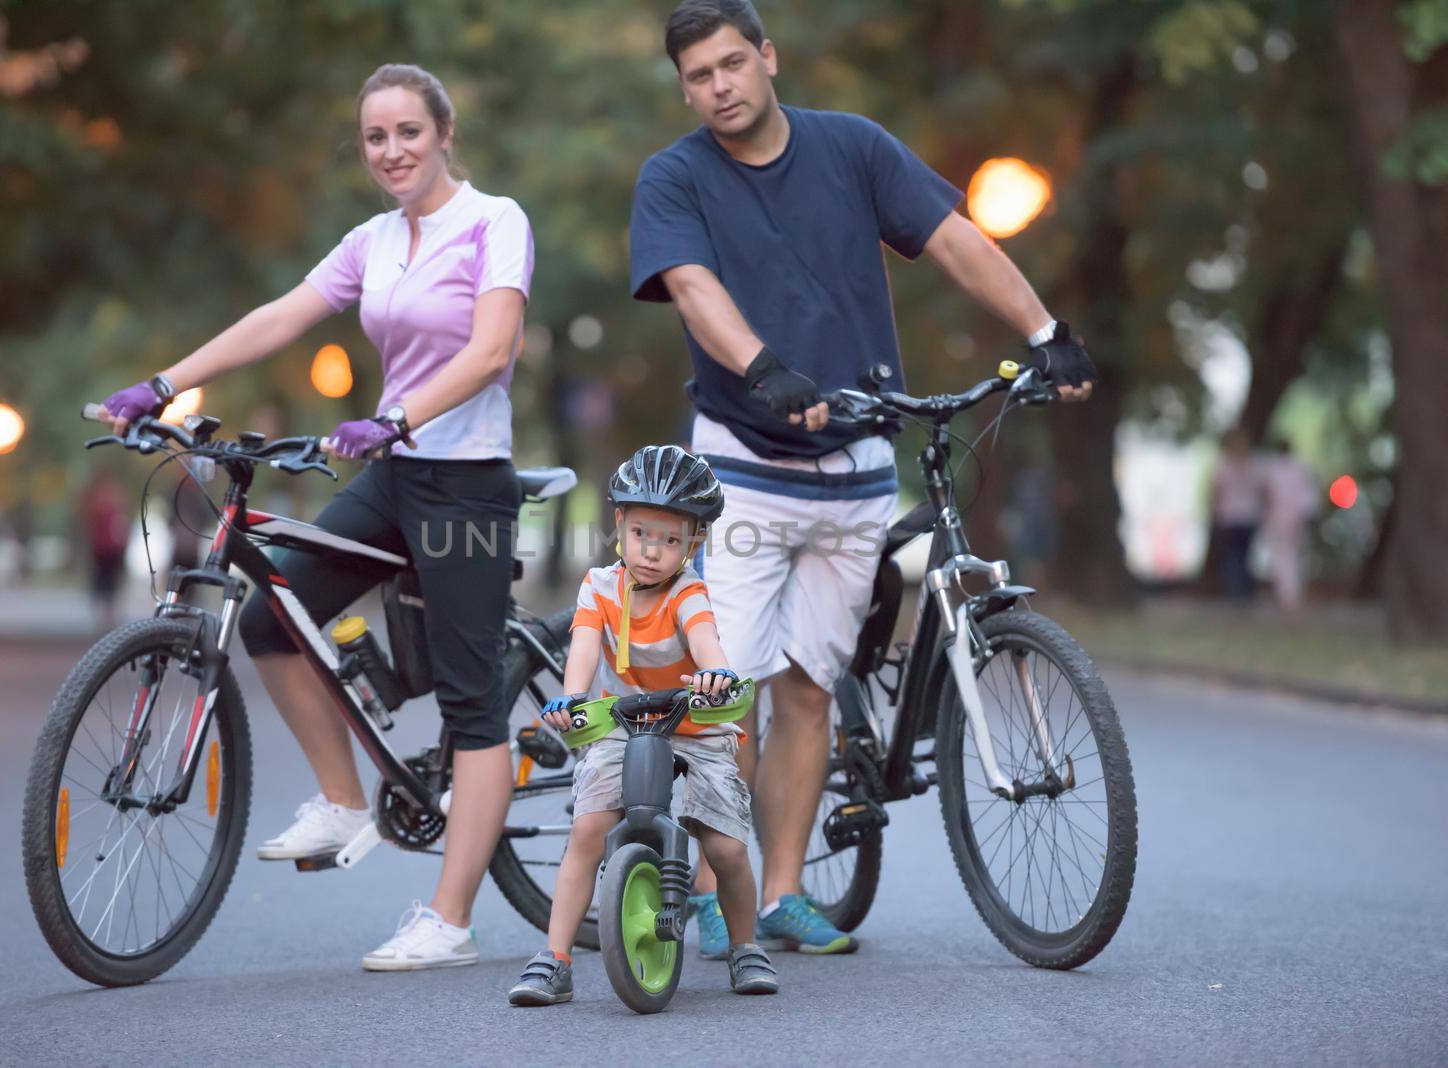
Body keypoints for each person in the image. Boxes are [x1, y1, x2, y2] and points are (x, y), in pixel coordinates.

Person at [628, 0, 1098, 958]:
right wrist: (764, 369)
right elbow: (691, 286)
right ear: (685, 89)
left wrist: (1045, 333)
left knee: (808, 688)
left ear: (768, 58)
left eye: (730, 65)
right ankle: (723, 891)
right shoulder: (674, 176)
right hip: (743, 471)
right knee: (729, 690)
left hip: (855, 470)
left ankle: (788, 893)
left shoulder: (853, 148)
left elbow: (957, 238)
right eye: (697, 77)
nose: (717, 87)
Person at [100, 63, 535, 972]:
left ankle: (449, 919)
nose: (392, 151)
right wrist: (166, 386)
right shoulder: (374, 241)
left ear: (444, 133)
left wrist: (397, 416)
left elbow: (493, 351)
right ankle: (342, 800)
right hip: (394, 471)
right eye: (375, 137)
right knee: (271, 618)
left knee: (471, 702)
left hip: (463, 481)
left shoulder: (496, 222)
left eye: (408, 132)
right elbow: (281, 316)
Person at [506, 446, 779, 1006]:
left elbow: (706, 640)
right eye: (641, 535)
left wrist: (716, 674)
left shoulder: (688, 591)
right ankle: (554, 959)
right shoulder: (599, 587)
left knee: (727, 849)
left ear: (694, 543)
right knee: (588, 831)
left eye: (671, 540)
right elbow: (582, 647)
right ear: (620, 526)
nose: (653, 552)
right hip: (624, 719)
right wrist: (573, 697)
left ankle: (746, 946)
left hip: (693, 718)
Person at [1259, 438, 1318, 611]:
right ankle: (1291, 595)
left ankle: (1287, 595)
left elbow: (1268, 496)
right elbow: (1308, 496)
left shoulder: (1271, 469)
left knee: (1283, 558)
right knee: (1294, 557)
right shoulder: (1301, 467)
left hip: (1280, 518)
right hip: (1297, 518)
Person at [1210, 429, 1263, 602]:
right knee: (1243, 557)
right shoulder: (1254, 465)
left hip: (1230, 516)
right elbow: (1262, 491)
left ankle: (1237, 594)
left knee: (1233, 557)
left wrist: (1214, 512)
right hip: (1248, 515)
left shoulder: (1223, 465)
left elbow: (1216, 491)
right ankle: (1244, 593)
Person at [80, 472, 130, 630]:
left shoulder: (110, 504)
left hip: (111, 548)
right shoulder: (100, 504)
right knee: (103, 581)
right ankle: (104, 616)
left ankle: (108, 614)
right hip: (102, 548)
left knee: (110, 582)